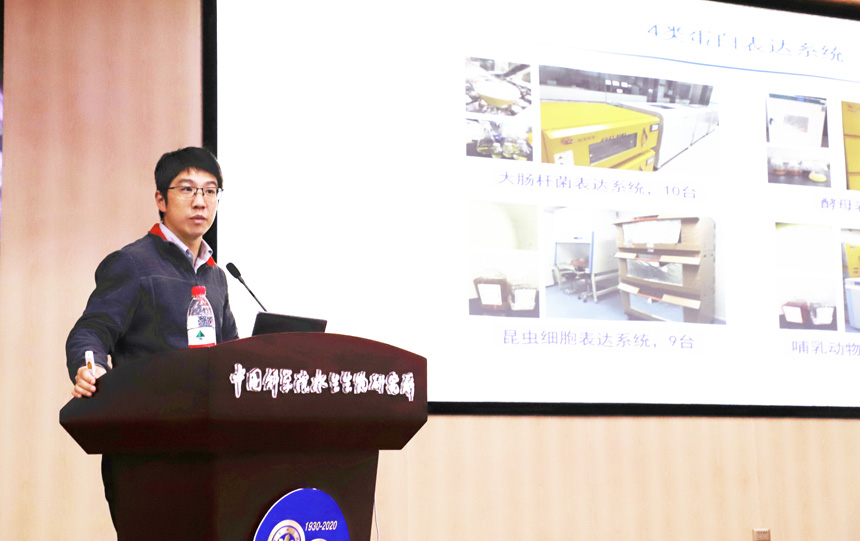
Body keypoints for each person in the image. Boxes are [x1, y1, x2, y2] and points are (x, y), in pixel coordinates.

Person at [65, 146, 239, 524]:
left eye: (210, 191)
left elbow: (231, 355)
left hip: (206, 448)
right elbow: (91, 329)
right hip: (146, 450)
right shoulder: (133, 263)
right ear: (161, 199)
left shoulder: (216, 276)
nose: (200, 202)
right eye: (187, 189)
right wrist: (88, 366)